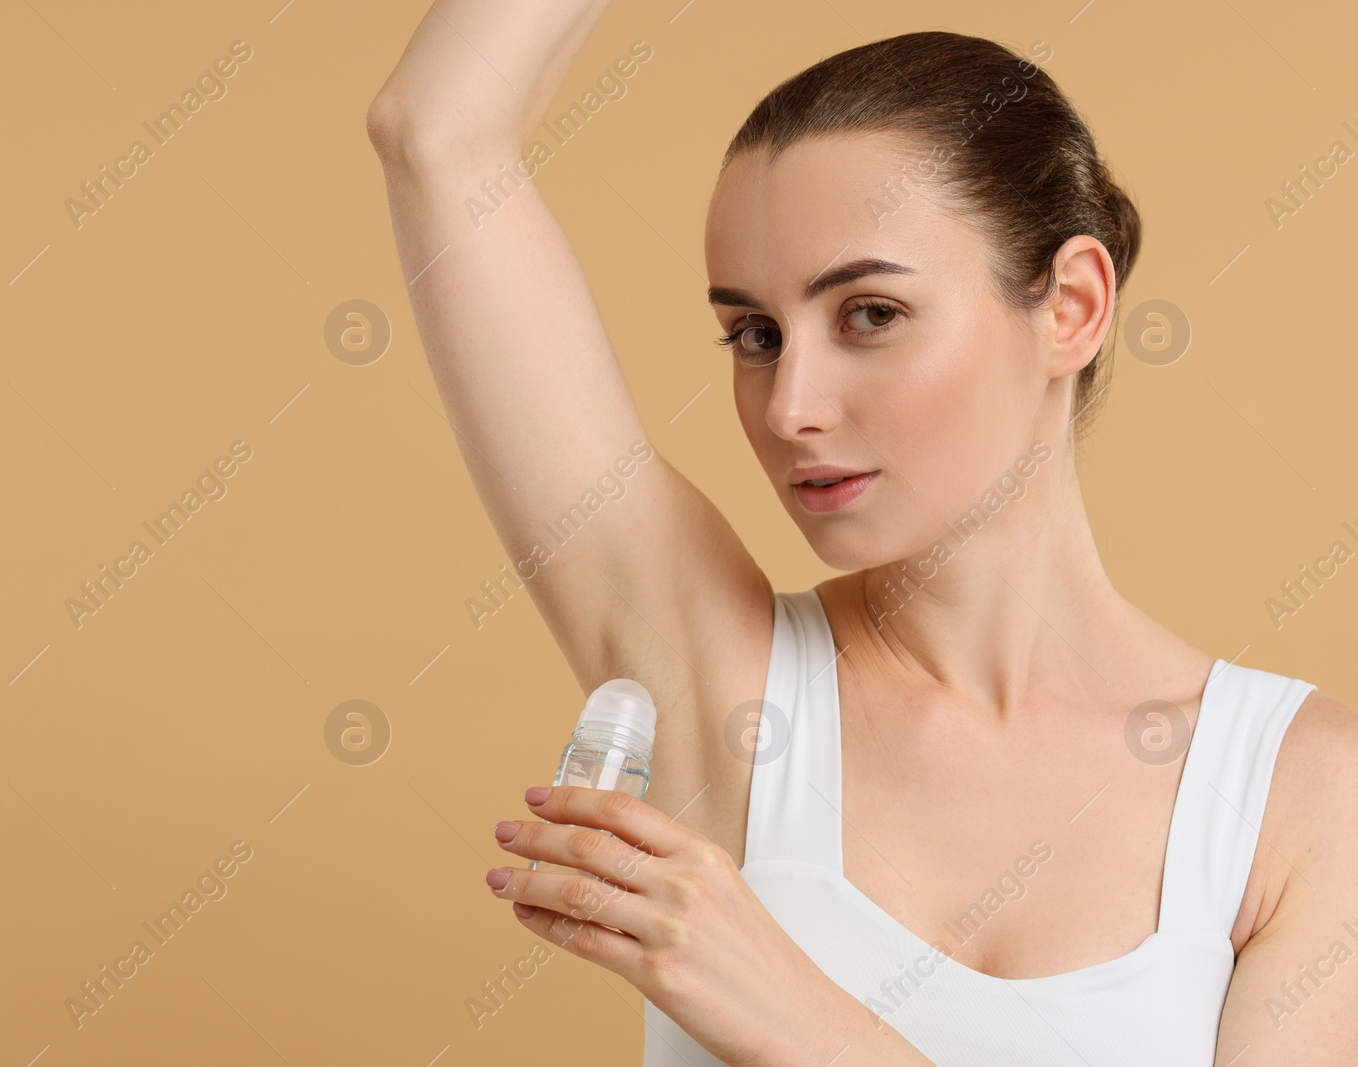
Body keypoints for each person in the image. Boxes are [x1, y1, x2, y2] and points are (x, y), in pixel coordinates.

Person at [365, 5, 1358, 1064]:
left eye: (869, 314)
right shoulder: (723, 684)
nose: (790, 404)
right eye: (755, 334)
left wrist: (788, 1010)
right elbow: (434, 129)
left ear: (1069, 305)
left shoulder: (1297, 795)